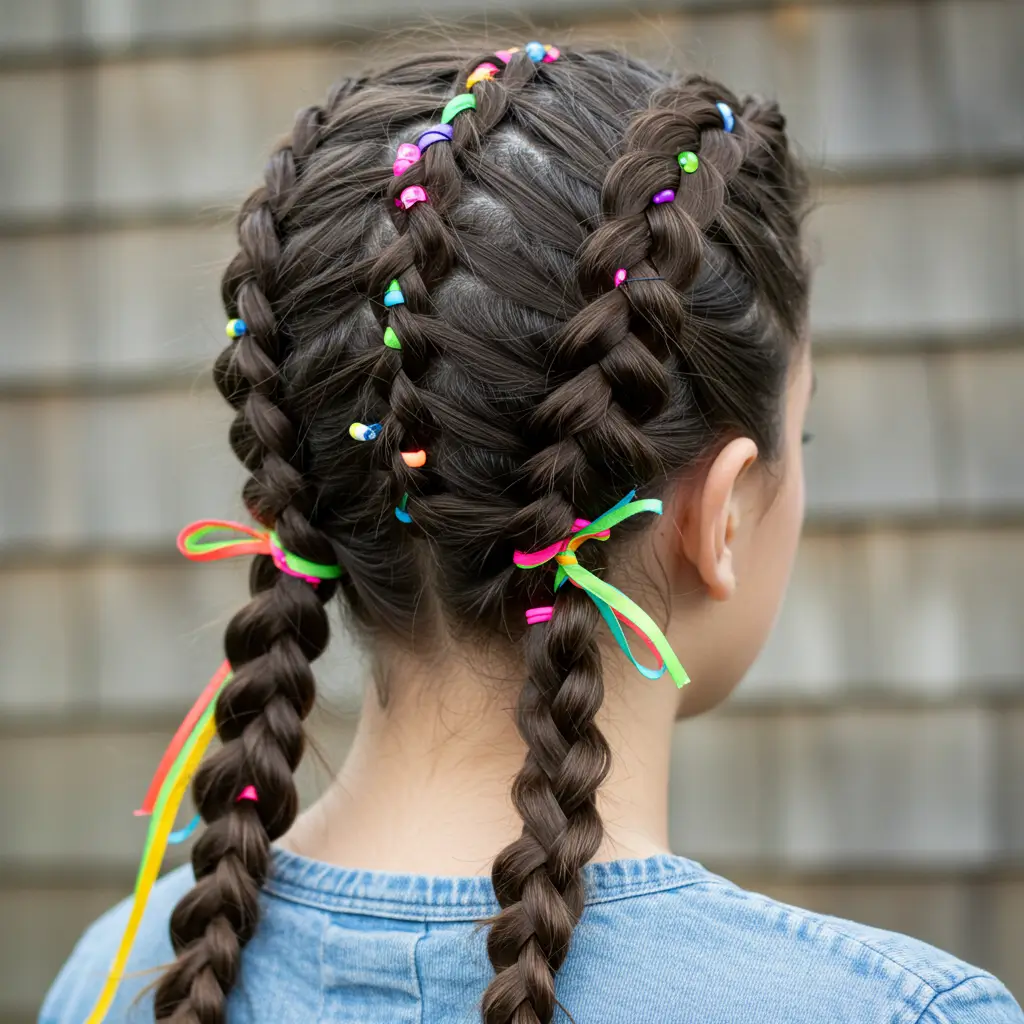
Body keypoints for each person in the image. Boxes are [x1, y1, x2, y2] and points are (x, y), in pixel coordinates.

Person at [41, 42, 1022, 1024]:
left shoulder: (119, 975)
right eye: (795, 433)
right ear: (717, 513)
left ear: (302, 500)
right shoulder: (897, 1013)